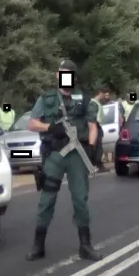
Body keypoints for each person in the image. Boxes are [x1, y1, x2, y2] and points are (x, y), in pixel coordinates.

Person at [25, 60, 103, 262]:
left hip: (77, 155)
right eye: (62, 73)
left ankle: (85, 245)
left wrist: (92, 149)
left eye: (69, 73)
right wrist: (50, 128)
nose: (65, 76)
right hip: (55, 155)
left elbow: (92, 125)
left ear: (74, 77)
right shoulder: (47, 99)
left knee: (80, 199)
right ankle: (38, 245)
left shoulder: (84, 99)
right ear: (56, 75)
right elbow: (32, 124)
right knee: (46, 200)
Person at [91, 86, 110, 173]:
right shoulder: (94, 103)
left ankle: (96, 165)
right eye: (103, 94)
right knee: (98, 148)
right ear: (100, 93)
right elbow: (94, 118)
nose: (104, 97)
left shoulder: (96, 103)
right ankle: (98, 165)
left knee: (97, 148)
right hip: (96, 127)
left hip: (97, 127)